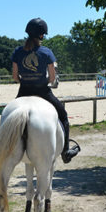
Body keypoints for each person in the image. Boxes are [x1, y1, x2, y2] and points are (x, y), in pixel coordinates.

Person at [10, 18, 80, 163]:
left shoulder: (18, 52)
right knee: (64, 116)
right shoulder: (46, 52)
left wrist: (26, 80)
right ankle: (66, 152)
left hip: (23, 91)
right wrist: (42, 81)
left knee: (9, 117)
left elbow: (15, 77)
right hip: (43, 92)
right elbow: (52, 77)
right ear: (41, 35)